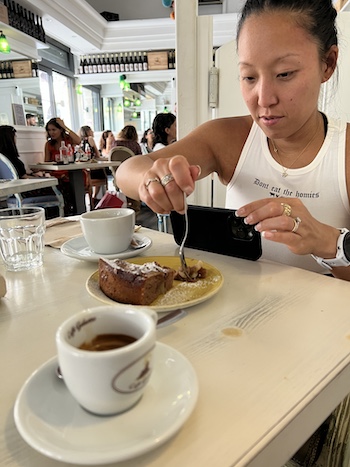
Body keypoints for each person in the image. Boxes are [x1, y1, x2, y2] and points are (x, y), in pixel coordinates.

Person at [117, 2, 350, 463]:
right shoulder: (231, 138)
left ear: (328, 64)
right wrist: (153, 179)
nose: (264, 97)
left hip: (322, 359)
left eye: (284, 74)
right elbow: (130, 167)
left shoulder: (344, 154)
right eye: (248, 77)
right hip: (233, 339)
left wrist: (328, 241)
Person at [44, 117, 81, 215]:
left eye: (54, 129)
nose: (51, 132)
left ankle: (72, 211)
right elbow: (46, 161)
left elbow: (78, 140)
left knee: (68, 182)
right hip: (56, 173)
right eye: (49, 130)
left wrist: (65, 126)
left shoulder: (68, 140)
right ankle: (66, 211)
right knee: (59, 183)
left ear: (60, 130)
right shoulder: (49, 144)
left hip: (70, 171)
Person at [79, 125, 108, 205]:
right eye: (91, 130)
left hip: (84, 169)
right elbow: (97, 154)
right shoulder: (90, 139)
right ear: (88, 132)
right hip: (91, 170)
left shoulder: (80, 141)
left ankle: (93, 199)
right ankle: (95, 198)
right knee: (101, 172)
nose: (93, 132)